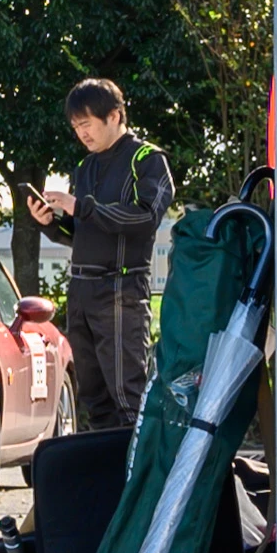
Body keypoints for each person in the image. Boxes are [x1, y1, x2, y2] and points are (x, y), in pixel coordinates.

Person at [34, 78, 174, 426]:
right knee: (93, 399)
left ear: (114, 116)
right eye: (75, 126)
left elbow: (145, 216)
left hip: (120, 290)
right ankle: (107, 478)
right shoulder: (85, 167)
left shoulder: (147, 159)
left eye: (87, 123)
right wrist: (50, 222)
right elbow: (82, 232)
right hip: (81, 290)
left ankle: (137, 478)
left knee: (128, 398)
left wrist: (82, 207)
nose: (81, 133)